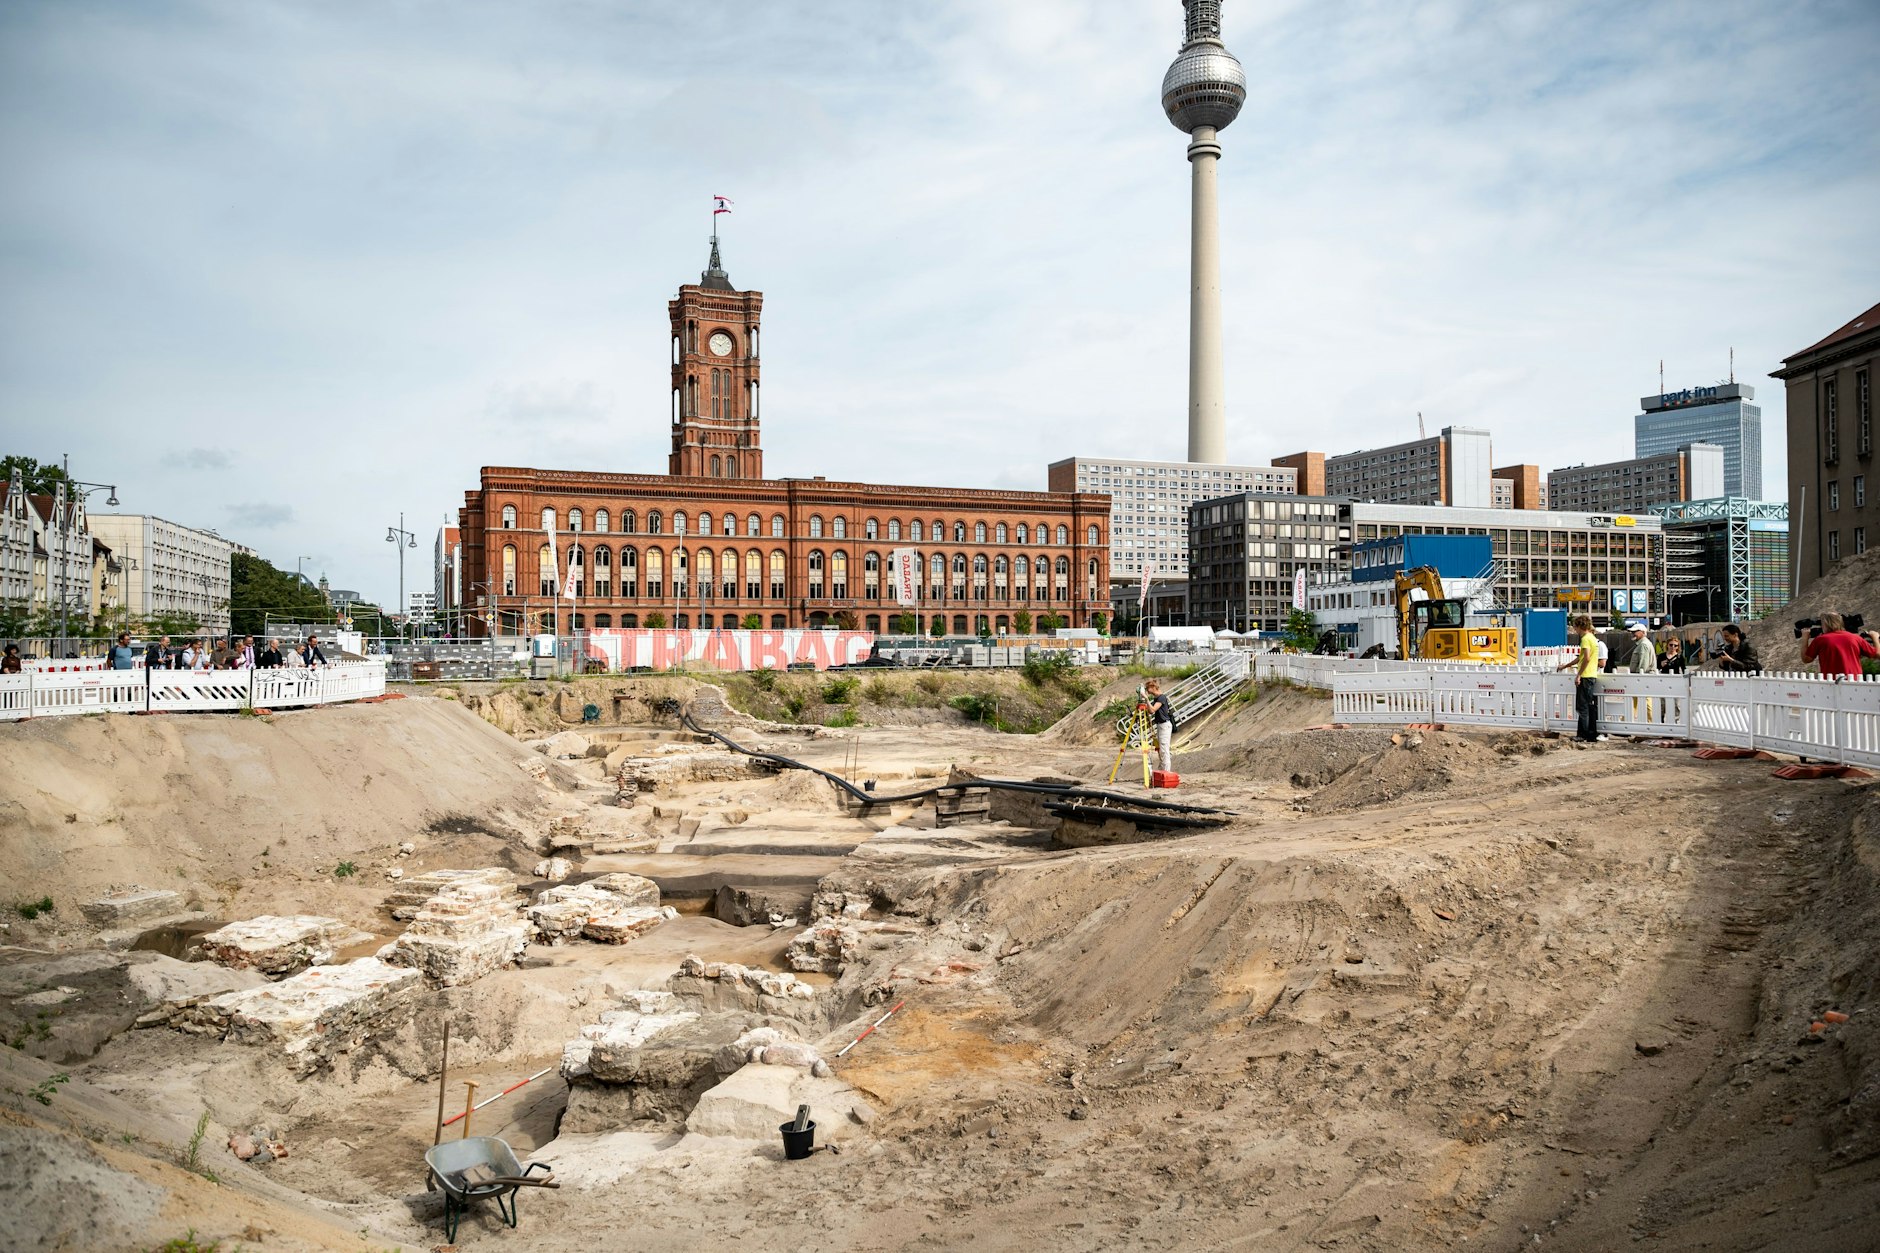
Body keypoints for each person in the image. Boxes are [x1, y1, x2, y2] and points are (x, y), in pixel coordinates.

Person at [1556, 614, 1605, 743]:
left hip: (1586, 676)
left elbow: (1586, 658)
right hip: (1591, 675)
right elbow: (1581, 657)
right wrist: (1566, 665)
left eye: (1575, 627)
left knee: (1582, 707)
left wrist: (1579, 675)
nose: (1575, 630)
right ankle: (1589, 733)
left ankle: (1583, 734)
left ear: (1580, 627)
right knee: (1588, 707)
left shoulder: (1585, 639)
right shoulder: (1593, 638)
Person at [1801, 611, 1878, 678]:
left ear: (1825, 624)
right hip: (1855, 682)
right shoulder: (1855, 638)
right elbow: (1877, 654)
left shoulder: (1820, 640)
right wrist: (1875, 637)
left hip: (1830, 682)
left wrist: (1805, 638)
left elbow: (1806, 659)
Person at [1143, 678, 1177, 775]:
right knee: (1161, 750)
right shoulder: (1156, 699)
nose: (1147, 690)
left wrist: (1146, 698)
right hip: (1160, 725)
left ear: (1153, 687)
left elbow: (1153, 710)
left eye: (1147, 688)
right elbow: (1149, 710)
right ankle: (1161, 772)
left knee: (1164, 750)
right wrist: (1145, 701)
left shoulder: (1162, 697)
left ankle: (1166, 773)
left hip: (1164, 725)